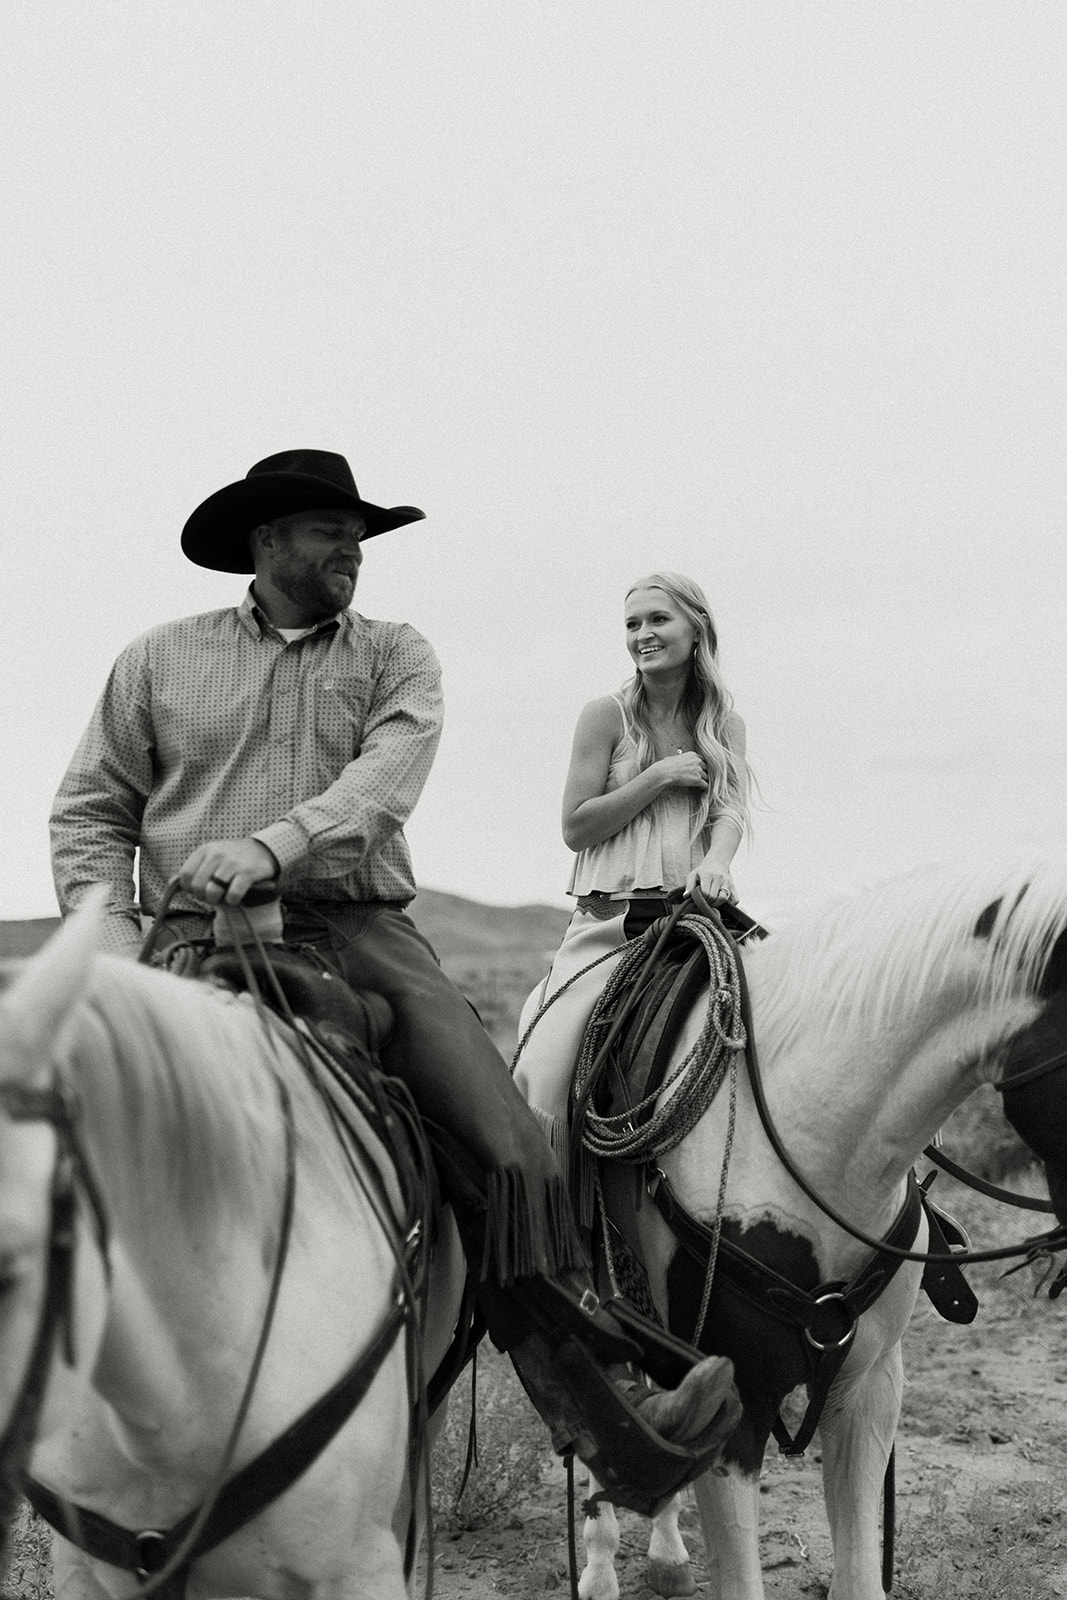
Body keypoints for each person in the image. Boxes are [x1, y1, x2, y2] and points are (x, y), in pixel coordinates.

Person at [49, 451, 739, 1511]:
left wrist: (274, 846)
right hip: (186, 932)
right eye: (329, 528)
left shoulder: (394, 654)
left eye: (359, 532)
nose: (352, 549)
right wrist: (113, 949)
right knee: (63, 1127)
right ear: (265, 543)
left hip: (357, 924)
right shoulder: (156, 661)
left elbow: (383, 783)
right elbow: (92, 809)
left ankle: (604, 1412)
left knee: (511, 1144)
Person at [514, 571, 753, 1162]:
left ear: (697, 629)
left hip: (694, 917)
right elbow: (576, 827)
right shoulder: (607, 716)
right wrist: (658, 777)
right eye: (632, 624)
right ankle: (541, 1218)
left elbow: (730, 811)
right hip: (609, 927)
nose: (642, 634)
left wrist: (718, 861)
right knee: (544, 1069)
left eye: (657, 620)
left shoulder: (725, 724)